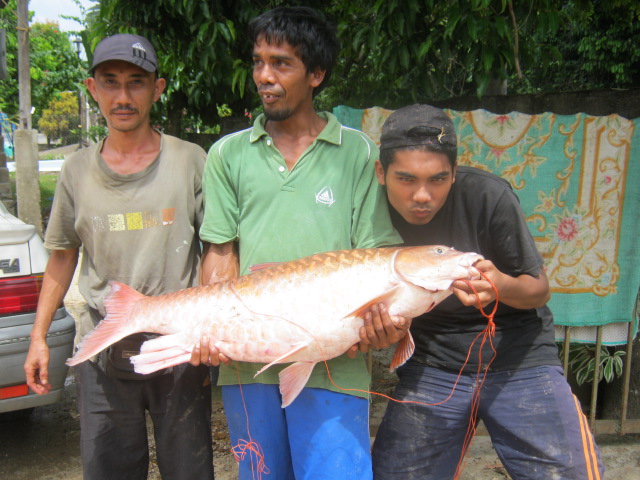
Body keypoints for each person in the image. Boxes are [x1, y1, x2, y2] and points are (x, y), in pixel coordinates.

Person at [194, 6, 404, 479]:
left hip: (336, 362)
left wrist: (385, 321)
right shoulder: (227, 154)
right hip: (249, 364)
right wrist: (211, 326)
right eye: (258, 62)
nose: (264, 77)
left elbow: (376, 260)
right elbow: (221, 253)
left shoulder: (357, 152)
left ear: (317, 74)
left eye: (281, 64)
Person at [371, 104, 604, 479]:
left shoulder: (488, 196)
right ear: (381, 172)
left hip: (519, 358)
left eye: (437, 180)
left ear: (454, 172)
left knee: (572, 473)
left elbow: (538, 290)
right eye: (406, 179)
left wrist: (499, 286)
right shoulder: (369, 210)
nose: (422, 195)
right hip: (433, 365)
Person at [24, 34, 215, 480]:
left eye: (136, 82)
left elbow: (218, 251)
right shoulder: (76, 171)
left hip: (178, 348)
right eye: (111, 82)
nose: (124, 97)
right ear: (93, 88)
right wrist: (38, 336)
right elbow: (61, 257)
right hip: (103, 348)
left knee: (190, 471)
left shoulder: (191, 162)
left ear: (158, 88)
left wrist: (211, 329)